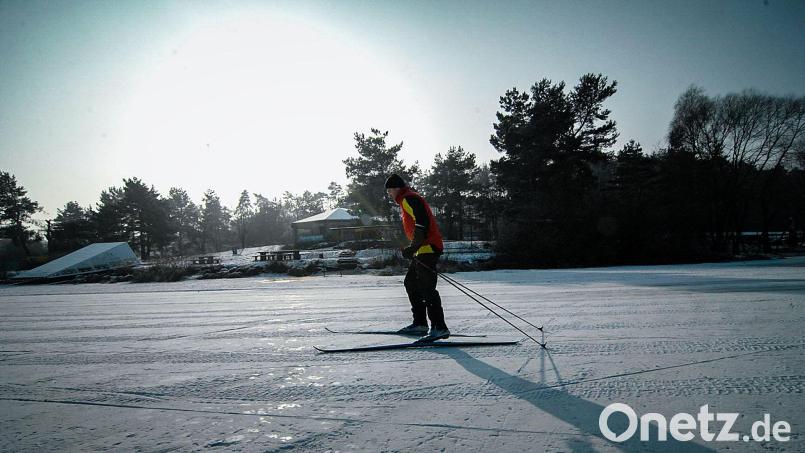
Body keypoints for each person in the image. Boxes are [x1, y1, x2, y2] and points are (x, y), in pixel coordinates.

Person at [384, 173, 450, 340]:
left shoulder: (408, 198)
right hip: (423, 249)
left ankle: (439, 327)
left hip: (427, 248)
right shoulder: (407, 199)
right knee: (411, 283)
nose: (389, 195)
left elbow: (422, 223)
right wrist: (414, 248)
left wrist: (413, 247)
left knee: (427, 288)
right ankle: (420, 324)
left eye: (389, 191)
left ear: (396, 188)